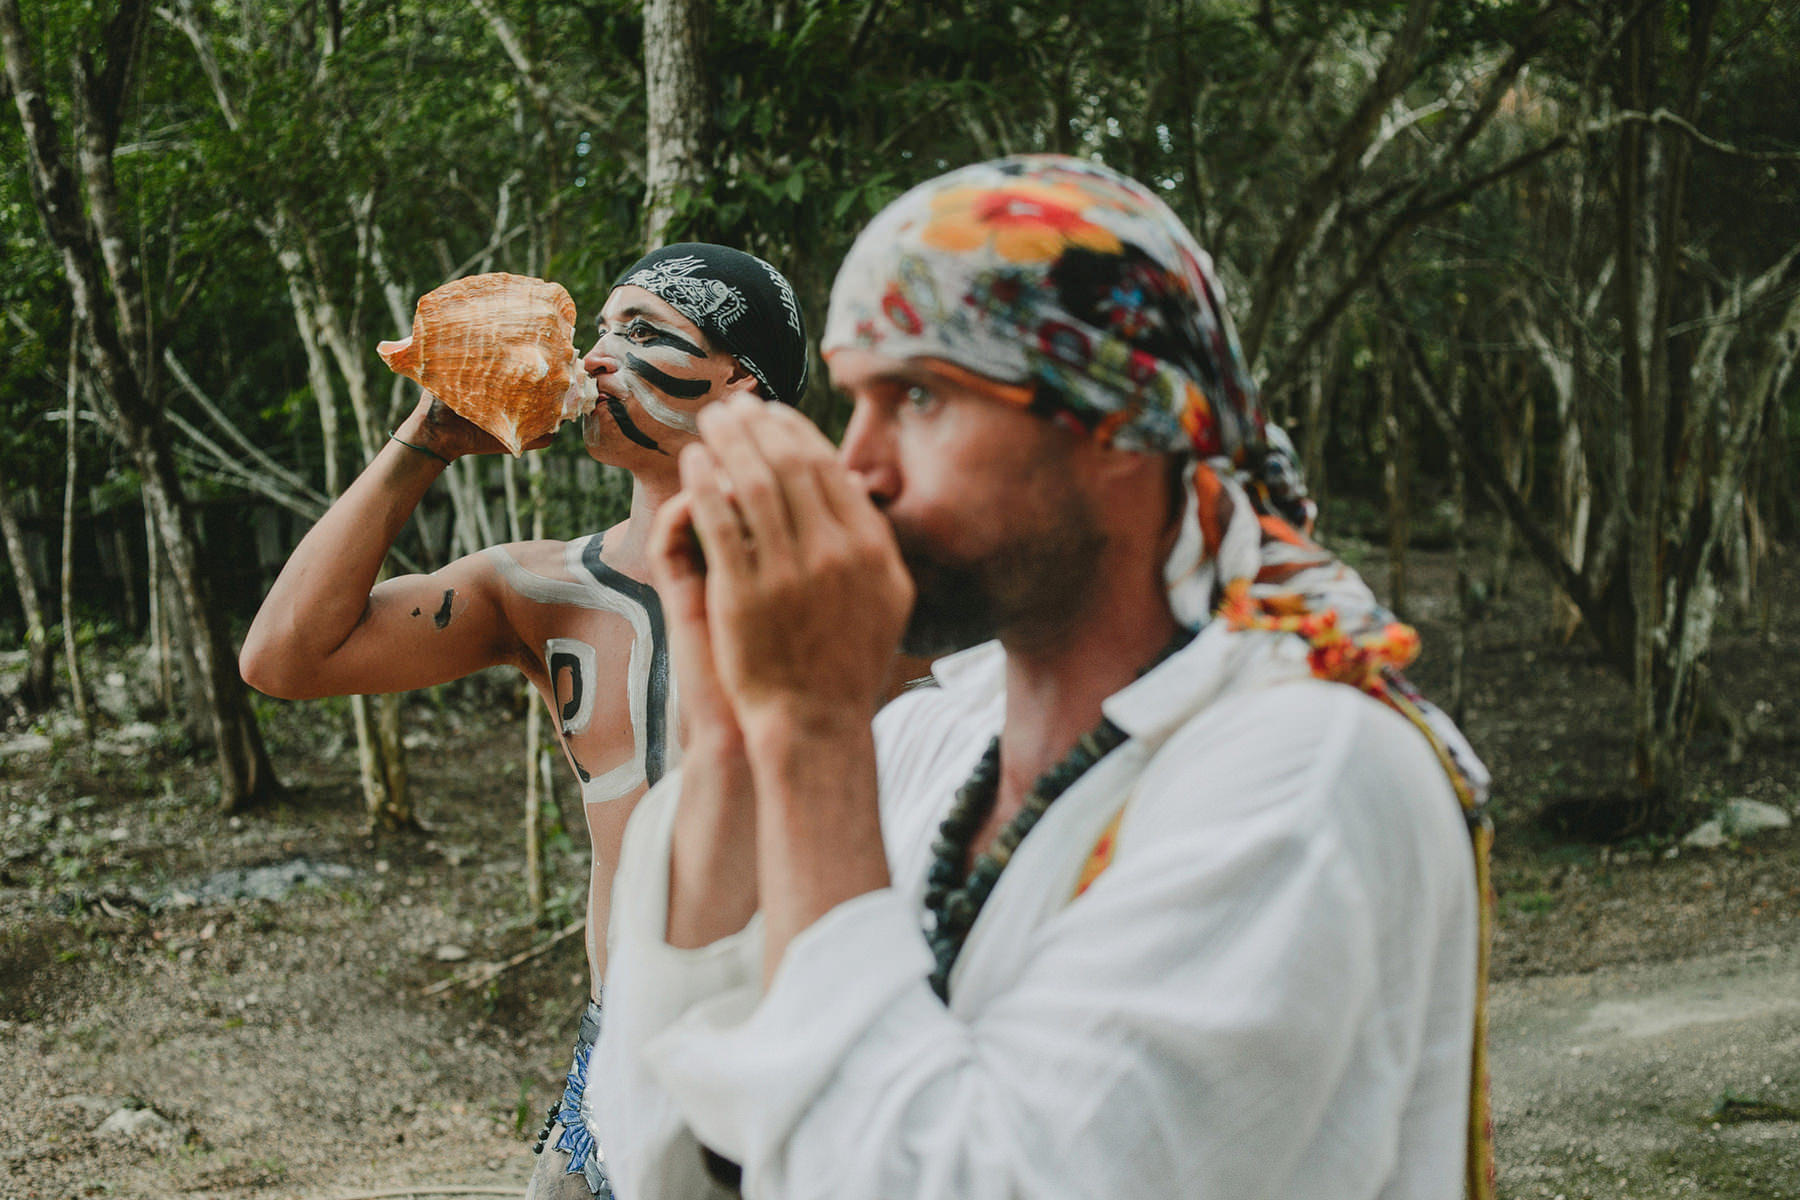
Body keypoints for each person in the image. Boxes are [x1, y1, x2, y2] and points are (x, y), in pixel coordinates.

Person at [589, 156, 1495, 1200]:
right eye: (857, 403)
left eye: (920, 395)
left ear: (1116, 424)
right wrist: (735, 740)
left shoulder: (1310, 778)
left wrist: (809, 728)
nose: (857, 468)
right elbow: (668, 1165)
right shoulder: (929, 744)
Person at [238, 243, 810, 1200]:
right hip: (620, 1047)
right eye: (602, 330)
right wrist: (424, 440)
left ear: (741, 384)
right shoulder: (542, 590)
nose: (596, 357)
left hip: (795, 1041)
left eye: (644, 333)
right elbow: (285, 658)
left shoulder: (854, 583)